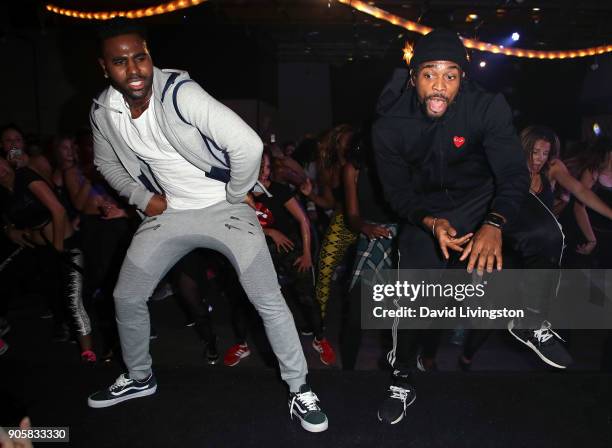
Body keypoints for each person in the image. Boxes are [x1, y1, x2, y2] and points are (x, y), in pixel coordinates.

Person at [85, 19, 327, 433]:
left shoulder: (179, 92)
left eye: (140, 57)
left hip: (225, 210)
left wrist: (236, 193)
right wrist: (143, 199)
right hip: (168, 215)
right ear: (105, 68)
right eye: (121, 62)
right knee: (126, 297)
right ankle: (140, 377)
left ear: (150, 55)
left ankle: (300, 388)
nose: (135, 70)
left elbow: (247, 144)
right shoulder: (103, 111)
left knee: (268, 299)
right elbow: (105, 163)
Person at [372, 29, 571, 425]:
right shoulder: (389, 125)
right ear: (414, 78)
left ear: (463, 78)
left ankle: (530, 319)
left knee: (548, 235)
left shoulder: (487, 107)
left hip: (485, 197)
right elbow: (396, 195)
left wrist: (495, 222)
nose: (439, 87)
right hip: (428, 210)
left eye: (451, 75)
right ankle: (402, 379)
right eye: (430, 74)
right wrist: (429, 222)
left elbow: (513, 174)